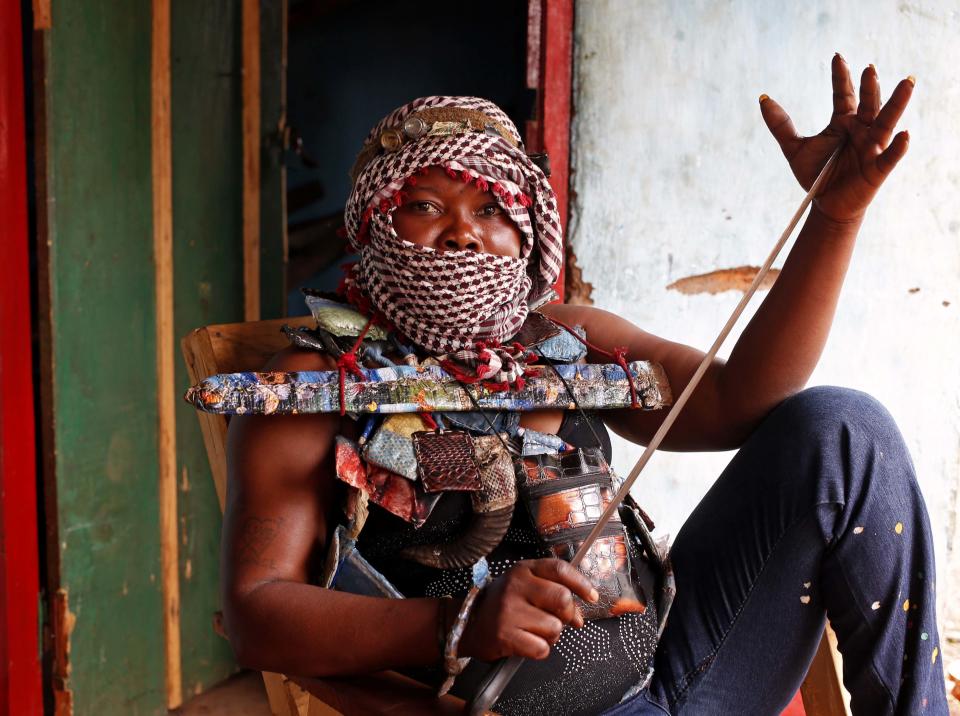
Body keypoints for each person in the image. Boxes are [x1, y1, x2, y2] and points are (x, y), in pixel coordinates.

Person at [220, 55, 947, 714]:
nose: (464, 233)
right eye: (426, 206)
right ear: (377, 222)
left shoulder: (561, 340)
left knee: (844, 428)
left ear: (527, 231)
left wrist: (834, 215)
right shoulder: (317, 385)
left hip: (686, 666)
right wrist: (458, 622)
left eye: (492, 209)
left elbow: (739, 402)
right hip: (517, 705)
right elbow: (256, 611)